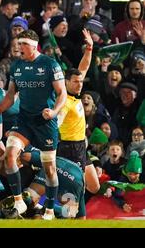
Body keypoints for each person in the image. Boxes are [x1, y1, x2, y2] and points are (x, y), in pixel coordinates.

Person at [0, 29, 67, 220]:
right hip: (24, 120)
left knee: (49, 168)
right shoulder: (16, 66)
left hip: (45, 122)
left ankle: (49, 209)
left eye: (22, 44)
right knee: (9, 154)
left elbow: (62, 93)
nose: (18, 48)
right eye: (18, 44)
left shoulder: (50, 64)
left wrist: (54, 112)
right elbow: (11, 96)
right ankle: (18, 200)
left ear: (33, 45)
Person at [57, 29, 100, 195]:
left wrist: (89, 48)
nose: (79, 84)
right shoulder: (64, 101)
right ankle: (69, 216)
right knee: (76, 189)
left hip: (81, 146)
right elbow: (57, 123)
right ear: (66, 82)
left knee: (94, 187)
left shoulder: (75, 94)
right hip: (69, 148)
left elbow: (84, 67)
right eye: (75, 82)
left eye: (81, 81)